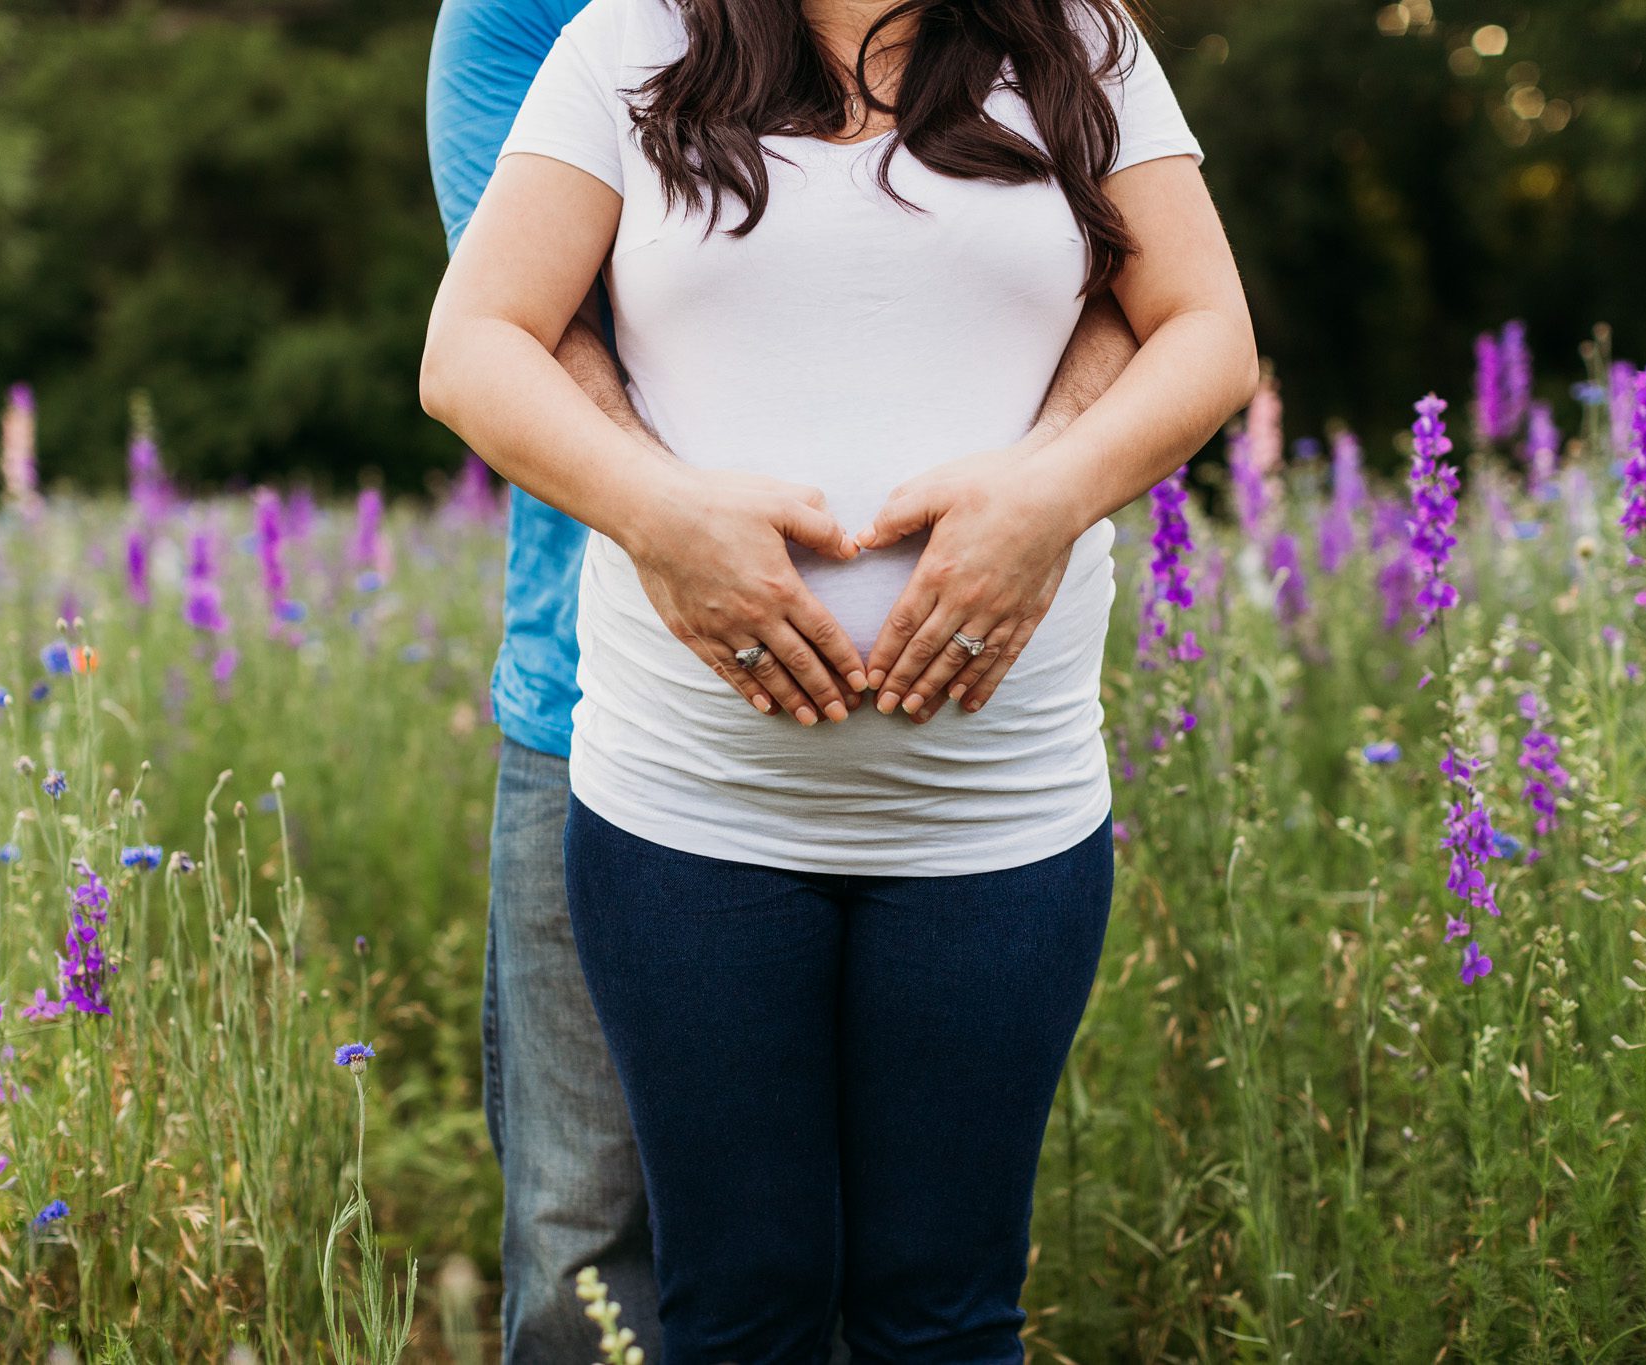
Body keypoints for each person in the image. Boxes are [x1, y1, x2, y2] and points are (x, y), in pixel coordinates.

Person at [425, 0, 1161, 1356]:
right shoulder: (564, 30)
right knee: (605, 1256)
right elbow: (522, 326)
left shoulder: (1057, 36)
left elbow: (1155, 301)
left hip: (987, 800)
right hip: (638, 744)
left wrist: (1047, 488)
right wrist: (663, 516)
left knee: (934, 1303)